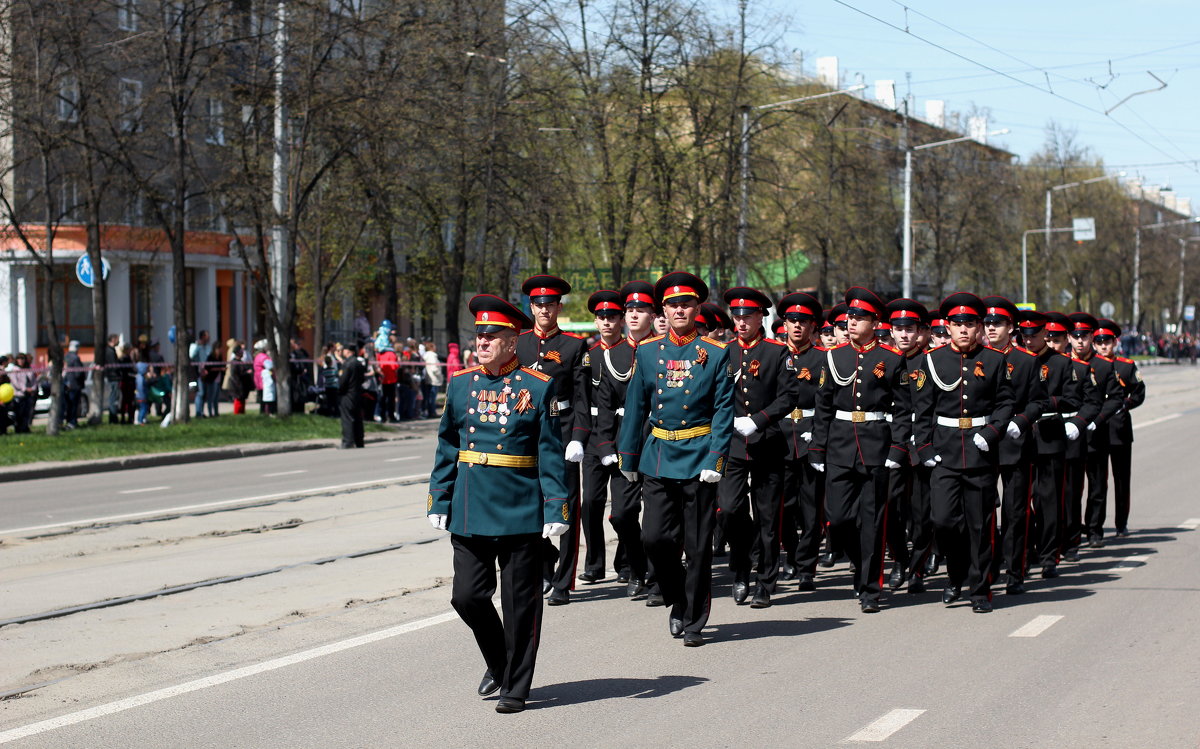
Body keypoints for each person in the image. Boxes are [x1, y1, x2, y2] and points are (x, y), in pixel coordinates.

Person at [426, 294, 569, 714]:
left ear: (513, 341)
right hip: (471, 505)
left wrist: (556, 506)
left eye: (492, 336)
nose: (482, 342)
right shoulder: (460, 383)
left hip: (520, 507)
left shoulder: (537, 386)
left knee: (520, 605)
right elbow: (447, 443)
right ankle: (501, 664)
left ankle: (516, 687)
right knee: (466, 597)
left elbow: (550, 452)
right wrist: (440, 494)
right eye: (479, 335)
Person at [617, 271, 733, 646]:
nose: (679, 309)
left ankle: (694, 619)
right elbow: (636, 405)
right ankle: (677, 597)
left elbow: (723, 411)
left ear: (696, 308)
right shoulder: (648, 351)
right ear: (662, 309)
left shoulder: (715, 353)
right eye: (672, 304)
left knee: (698, 546)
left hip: (698, 458)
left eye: (686, 303)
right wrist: (628, 456)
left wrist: (716, 460)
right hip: (659, 455)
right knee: (654, 538)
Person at [809, 287, 912, 614]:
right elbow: (823, 405)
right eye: (850, 317)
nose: (852, 322)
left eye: (860, 318)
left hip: (876, 445)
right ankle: (859, 564)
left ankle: (870, 587)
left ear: (874, 321)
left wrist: (897, 447)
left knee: (873, 519)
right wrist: (817, 447)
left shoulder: (892, 359)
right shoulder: (833, 356)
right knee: (838, 518)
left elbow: (903, 409)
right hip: (839, 445)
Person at [911, 292, 1014, 613]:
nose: (964, 329)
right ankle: (955, 577)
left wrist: (992, 431)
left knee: (980, 526)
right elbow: (922, 409)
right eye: (957, 324)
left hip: (981, 452)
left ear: (979, 327)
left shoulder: (995, 360)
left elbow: (1006, 402)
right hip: (945, 453)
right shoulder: (932, 360)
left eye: (970, 324)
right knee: (943, 521)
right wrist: (924, 447)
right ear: (948, 327)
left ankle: (979, 590)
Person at [717, 286, 797, 609]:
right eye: (736, 317)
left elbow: (788, 397)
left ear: (761, 316)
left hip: (766, 444)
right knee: (730, 510)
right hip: (733, 444)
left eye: (746, 316)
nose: (740, 322)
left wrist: (760, 420)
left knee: (767, 518)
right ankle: (740, 569)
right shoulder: (723, 352)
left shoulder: (777, 353)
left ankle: (765, 581)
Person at [516, 275, 589, 607]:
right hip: (527, 436)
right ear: (531, 307)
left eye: (550, 304)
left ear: (559, 307)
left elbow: (582, 398)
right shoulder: (518, 344)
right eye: (539, 305)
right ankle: (545, 562)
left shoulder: (574, 346)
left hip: (561, 433)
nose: (544, 310)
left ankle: (563, 581)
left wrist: (578, 438)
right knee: (531, 505)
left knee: (566, 507)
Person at [590, 281, 658, 599]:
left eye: (640, 310)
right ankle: (637, 563)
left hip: (660, 443)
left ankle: (657, 574)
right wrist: (605, 445)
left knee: (661, 516)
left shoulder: (665, 350)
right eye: (629, 310)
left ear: (653, 314)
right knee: (621, 514)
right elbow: (604, 406)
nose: (632, 315)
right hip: (624, 445)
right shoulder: (612, 354)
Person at [981, 296, 1048, 596]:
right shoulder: (975, 357)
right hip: (983, 444)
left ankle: (1015, 570)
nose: (991, 328)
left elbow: (1039, 401)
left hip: (1016, 443)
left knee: (1014, 512)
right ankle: (988, 567)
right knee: (983, 511)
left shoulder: (1026, 360)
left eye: (998, 323)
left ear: (1011, 327)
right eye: (988, 323)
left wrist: (1021, 421)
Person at [1019, 310, 1084, 579]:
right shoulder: (1016, 360)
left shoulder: (1060, 363)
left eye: (1035, 335)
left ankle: (1049, 556)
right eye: (1025, 335)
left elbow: (1072, 398)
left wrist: (1047, 405)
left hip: (1049, 435)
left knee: (1048, 501)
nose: (1029, 339)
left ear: (1045, 334)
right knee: (1021, 502)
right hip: (1021, 436)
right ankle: (1024, 553)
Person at [884, 298, 934, 593]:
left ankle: (916, 569)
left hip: (921, 444)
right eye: (898, 329)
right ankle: (900, 560)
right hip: (889, 444)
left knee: (921, 512)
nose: (904, 335)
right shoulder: (884, 360)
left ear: (920, 332)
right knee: (890, 509)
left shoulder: (931, 362)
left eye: (910, 329)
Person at [776, 292, 826, 593]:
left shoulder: (822, 358)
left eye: (803, 321)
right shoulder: (775, 354)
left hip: (810, 435)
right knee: (783, 506)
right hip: (779, 437)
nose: (796, 326)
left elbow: (827, 401)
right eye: (792, 320)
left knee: (811, 509)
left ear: (812, 326)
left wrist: (819, 432)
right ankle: (791, 555)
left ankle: (807, 567)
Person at [578, 289, 626, 585]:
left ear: (621, 320)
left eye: (611, 316)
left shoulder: (632, 352)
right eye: (601, 317)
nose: (606, 322)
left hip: (621, 436)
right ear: (595, 322)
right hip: (594, 437)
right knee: (591, 504)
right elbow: (582, 398)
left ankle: (626, 560)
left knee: (623, 509)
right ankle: (594, 563)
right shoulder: (589, 356)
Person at [1091, 319, 1145, 539]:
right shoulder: (1090, 366)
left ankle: (1121, 522)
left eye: (1107, 341)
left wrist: (1126, 404)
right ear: (1094, 344)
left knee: (1122, 479)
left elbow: (1139, 392)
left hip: (1120, 430)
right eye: (1099, 341)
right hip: (1097, 430)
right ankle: (1095, 527)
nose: (1104, 346)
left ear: (1115, 342)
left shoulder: (1126, 365)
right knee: (1097, 482)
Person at [337, 342, 365, 448]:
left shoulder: (348, 364)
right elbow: (362, 379)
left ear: (348, 351)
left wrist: (339, 390)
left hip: (347, 394)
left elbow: (343, 381)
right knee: (358, 417)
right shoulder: (358, 363)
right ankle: (359, 441)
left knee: (347, 417)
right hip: (357, 393)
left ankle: (348, 441)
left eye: (344, 350)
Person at [8, 353, 37, 433]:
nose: (21, 360)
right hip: (18, 395)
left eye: (22, 358)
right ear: (16, 360)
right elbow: (15, 382)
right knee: (19, 413)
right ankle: (19, 429)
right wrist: (25, 389)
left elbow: (34, 381)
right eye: (19, 358)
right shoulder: (14, 370)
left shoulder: (28, 369)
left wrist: (32, 388)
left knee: (27, 413)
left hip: (28, 394)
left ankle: (25, 428)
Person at [190, 330, 213, 418]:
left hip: (206, 373)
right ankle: (198, 412)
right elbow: (191, 355)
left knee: (205, 394)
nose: (209, 338)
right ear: (203, 337)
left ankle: (202, 412)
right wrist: (198, 346)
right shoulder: (195, 346)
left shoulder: (207, 347)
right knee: (200, 393)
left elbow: (209, 356)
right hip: (198, 374)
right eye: (207, 336)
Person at [63, 340, 85, 429]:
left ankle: (69, 421)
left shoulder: (66, 357)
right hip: (75, 385)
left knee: (69, 405)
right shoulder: (75, 358)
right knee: (74, 405)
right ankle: (72, 422)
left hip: (66, 385)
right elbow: (78, 373)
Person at [422, 341, 445, 418]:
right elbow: (434, 368)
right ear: (431, 347)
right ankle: (432, 412)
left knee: (429, 397)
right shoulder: (432, 356)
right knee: (432, 397)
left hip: (429, 379)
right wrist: (440, 375)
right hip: (433, 379)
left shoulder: (427, 356)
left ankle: (430, 411)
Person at [104, 334, 120, 424]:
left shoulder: (111, 350)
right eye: (117, 340)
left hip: (113, 377)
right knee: (113, 399)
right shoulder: (109, 351)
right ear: (113, 340)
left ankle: (113, 418)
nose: (118, 341)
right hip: (113, 377)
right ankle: (113, 418)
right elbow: (113, 365)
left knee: (114, 398)